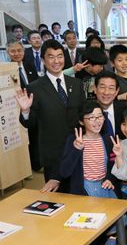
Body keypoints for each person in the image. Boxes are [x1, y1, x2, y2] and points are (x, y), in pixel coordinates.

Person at [16, 39, 85, 192]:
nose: (56, 61)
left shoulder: (76, 84)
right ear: (43, 60)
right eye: (51, 57)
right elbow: (30, 123)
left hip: (77, 150)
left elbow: (82, 114)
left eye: (59, 56)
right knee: (58, 199)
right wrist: (25, 111)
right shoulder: (35, 87)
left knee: (79, 194)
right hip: (53, 154)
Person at [59, 100, 119, 198]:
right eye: (91, 117)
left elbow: (113, 162)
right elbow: (64, 172)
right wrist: (76, 149)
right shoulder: (74, 140)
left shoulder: (108, 139)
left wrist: (109, 178)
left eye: (100, 116)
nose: (97, 120)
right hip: (84, 190)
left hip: (105, 187)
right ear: (81, 121)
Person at [8, 40, 40, 171]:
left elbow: (37, 84)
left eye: (19, 50)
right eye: (13, 51)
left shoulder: (30, 65)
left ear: (24, 51)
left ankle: (36, 164)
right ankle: (25, 167)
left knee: (34, 136)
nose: (16, 54)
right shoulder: (6, 70)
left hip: (33, 106)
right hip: (16, 109)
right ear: (7, 52)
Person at [94, 71, 127, 140]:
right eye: (102, 87)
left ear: (117, 91)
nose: (106, 92)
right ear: (95, 89)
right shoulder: (86, 112)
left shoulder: (126, 110)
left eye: (111, 88)